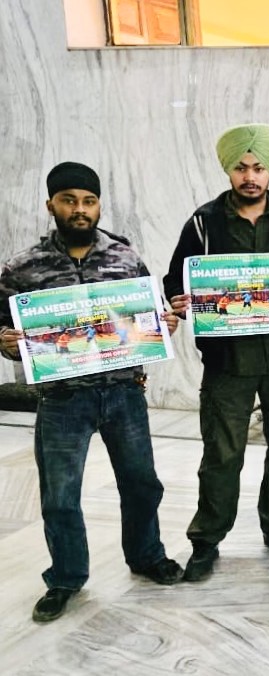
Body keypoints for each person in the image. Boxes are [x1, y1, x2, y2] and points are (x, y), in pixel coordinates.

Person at [0, 162, 183, 622]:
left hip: (124, 393)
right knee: (60, 496)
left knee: (141, 484)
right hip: (62, 399)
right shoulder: (22, 268)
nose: (79, 209)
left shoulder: (126, 258)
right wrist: (5, 341)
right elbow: (3, 329)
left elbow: (152, 315)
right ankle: (65, 577)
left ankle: (146, 555)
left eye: (88, 201)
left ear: (98, 205)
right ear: (51, 205)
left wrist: (164, 324)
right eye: (69, 200)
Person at [163, 124, 269, 581]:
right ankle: (206, 540)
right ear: (228, 170)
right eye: (241, 168)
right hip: (228, 363)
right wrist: (180, 299)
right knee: (222, 454)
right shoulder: (203, 223)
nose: (250, 177)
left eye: (258, 168)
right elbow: (176, 280)